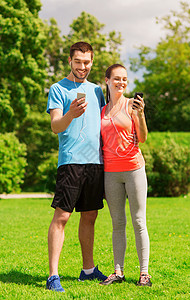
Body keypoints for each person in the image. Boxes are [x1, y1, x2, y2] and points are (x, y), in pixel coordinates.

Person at [46, 41, 107, 292]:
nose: (83, 67)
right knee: (62, 216)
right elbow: (55, 126)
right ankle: (53, 276)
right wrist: (71, 113)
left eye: (87, 62)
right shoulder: (58, 88)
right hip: (70, 161)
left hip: (95, 162)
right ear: (70, 61)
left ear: (92, 62)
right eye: (78, 62)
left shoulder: (96, 91)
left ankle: (88, 270)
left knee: (90, 216)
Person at [100, 64, 152, 286]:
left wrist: (140, 115)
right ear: (107, 81)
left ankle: (144, 274)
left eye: (124, 79)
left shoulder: (132, 105)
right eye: (117, 79)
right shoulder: (102, 111)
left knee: (139, 221)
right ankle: (118, 272)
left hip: (133, 169)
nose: (121, 82)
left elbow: (143, 137)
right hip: (111, 173)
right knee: (117, 222)